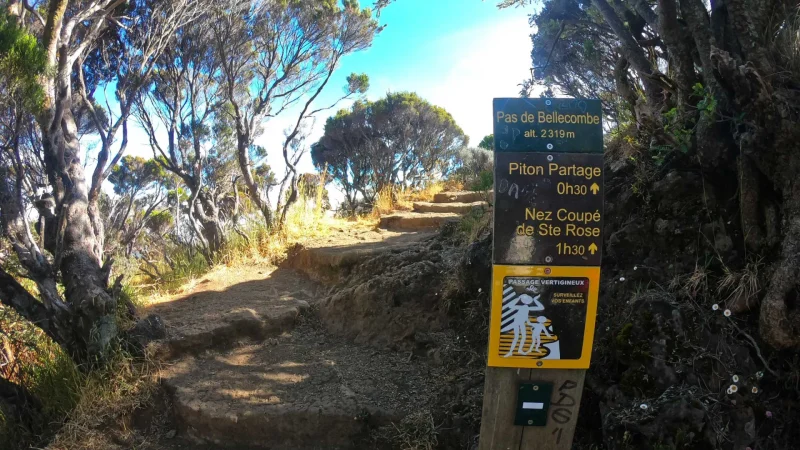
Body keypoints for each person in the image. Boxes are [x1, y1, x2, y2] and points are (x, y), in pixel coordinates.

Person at [501, 289, 544, 357]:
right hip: (517, 323)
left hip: (522, 323)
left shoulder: (526, 307)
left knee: (523, 337)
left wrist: (535, 300)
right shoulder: (521, 307)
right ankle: (510, 352)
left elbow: (541, 307)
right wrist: (518, 298)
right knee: (516, 337)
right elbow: (510, 306)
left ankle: (519, 350)